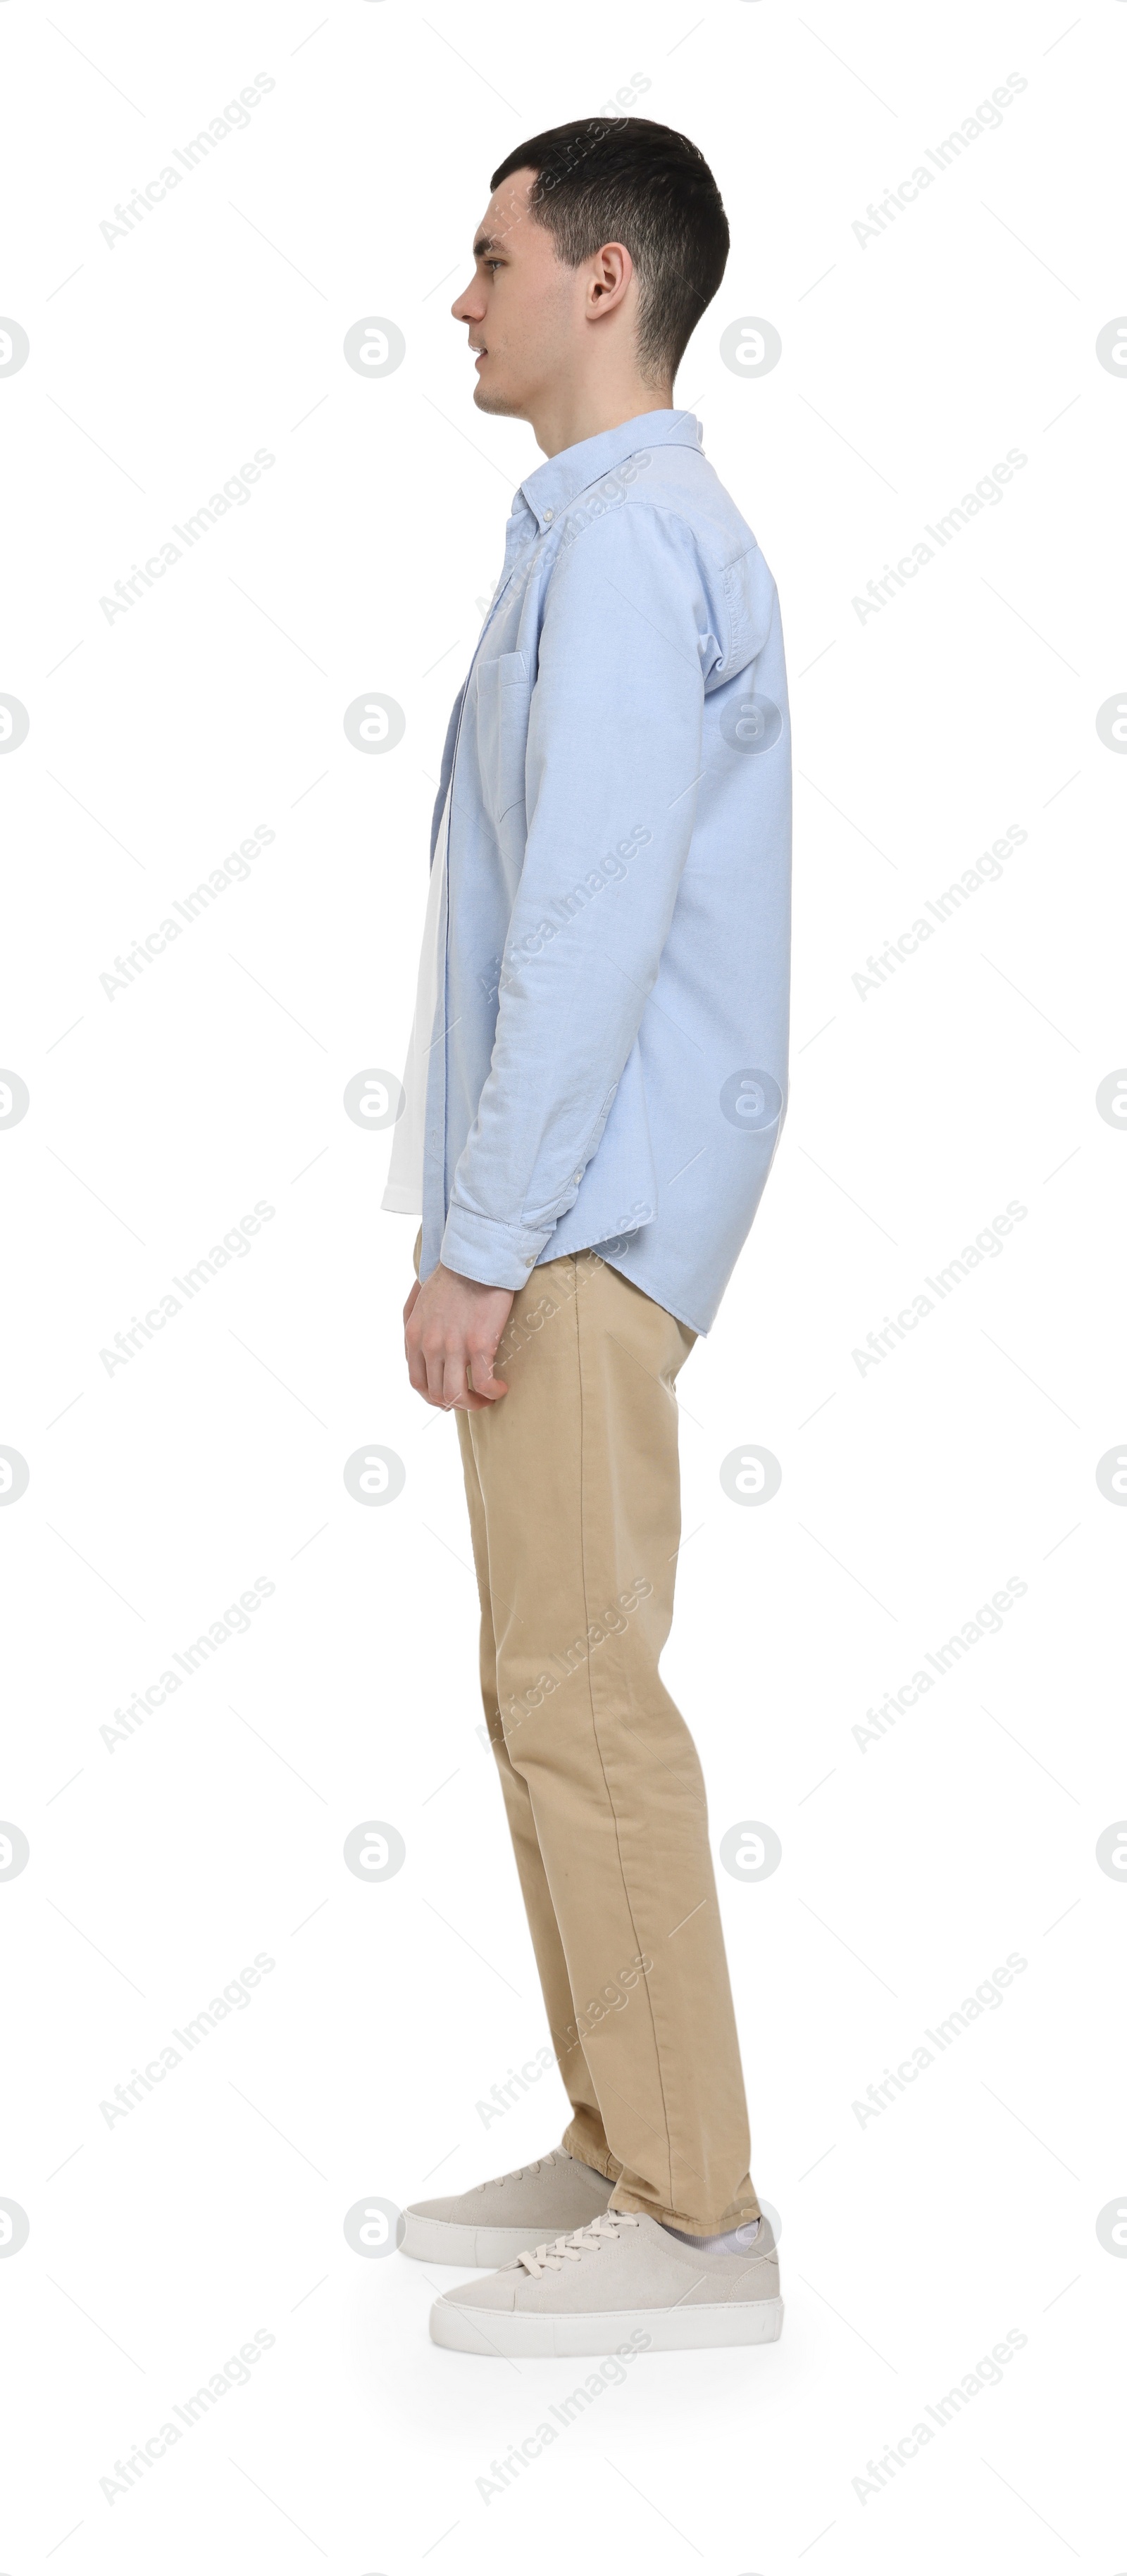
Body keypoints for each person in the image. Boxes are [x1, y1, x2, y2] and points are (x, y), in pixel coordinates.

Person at [382, 117, 791, 2358]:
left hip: (585, 1210)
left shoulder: (632, 549)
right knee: (541, 1681)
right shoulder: (600, 538)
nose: (462, 297)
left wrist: (486, 1230)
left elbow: (589, 917)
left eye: (492, 256)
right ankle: (628, 2132)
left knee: (579, 1692)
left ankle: (696, 2220)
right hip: (576, 1205)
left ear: (604, 283)